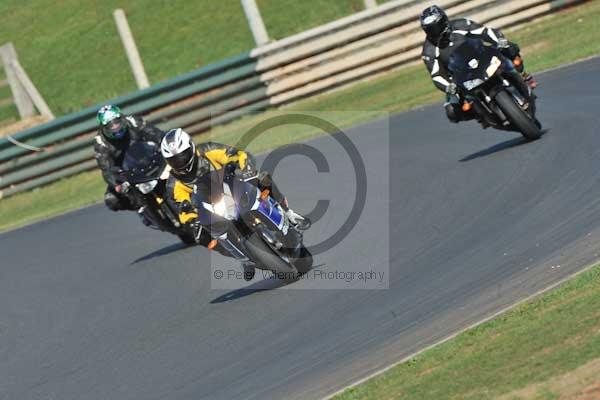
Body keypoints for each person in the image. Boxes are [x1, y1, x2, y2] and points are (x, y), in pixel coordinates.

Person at [160, 128, 311, 280]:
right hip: (212, 208)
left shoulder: (208, 150)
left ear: (191, 147)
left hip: (233, 187)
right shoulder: (173, 183)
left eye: (182, 155)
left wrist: (245, 168)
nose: (180, 161)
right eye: (174, 160)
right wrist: (192, 218)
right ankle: (242, 258)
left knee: (262, 179)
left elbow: (236, 155)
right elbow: (181, 207)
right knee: (201, 236)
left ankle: (289, 213)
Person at [420, 5, 536, 123]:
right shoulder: (429, 50)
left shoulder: (460, 24)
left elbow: (485, 32)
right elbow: (436, 75)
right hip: (459, 77)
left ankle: (522, 74)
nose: (435, 31)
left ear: (444, 20)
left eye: (436, 26)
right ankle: (480, 115)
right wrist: (448, 86)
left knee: (509, 49)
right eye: (430, 29)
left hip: (482, 57)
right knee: (452, 111)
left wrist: (500, 41)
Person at [93, 104, 165, 212]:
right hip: (127, 172)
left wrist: (163, 143)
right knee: (111, 199)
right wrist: (116, 183)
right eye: (110, 126)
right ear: (103, 128)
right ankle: (142, 208)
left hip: (150, 158)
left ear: (122, 118)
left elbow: (155, 133)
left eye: (116, 123)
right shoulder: (100, 142)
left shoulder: (133, 121)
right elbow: (106, 168)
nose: (115, 128)